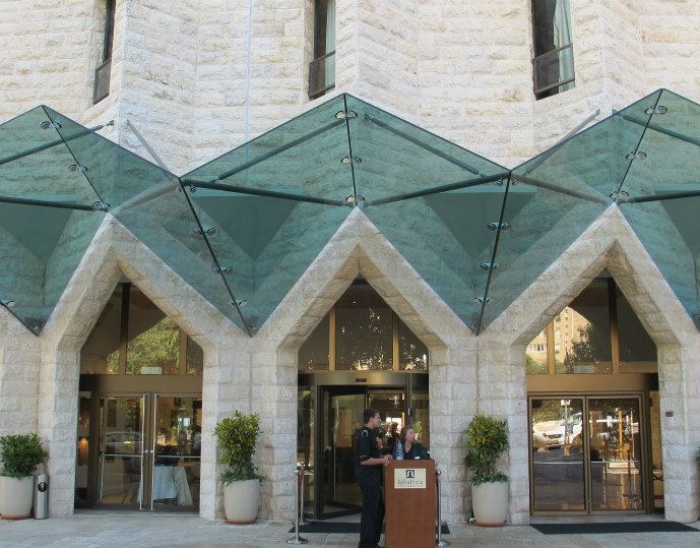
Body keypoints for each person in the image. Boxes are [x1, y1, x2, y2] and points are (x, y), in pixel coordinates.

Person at [355, 408, 392, 548]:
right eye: (377, 417)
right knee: (370, 510)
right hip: (368, 478)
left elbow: (373, 455)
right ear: (370, 419)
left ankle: (372, 541)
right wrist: (382, 461)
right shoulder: (364, 434)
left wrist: (383, 457)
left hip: (373, 479)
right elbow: (364, 460)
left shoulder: (370, 433)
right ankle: (366, 543)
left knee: (379, 509)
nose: (379, 420)